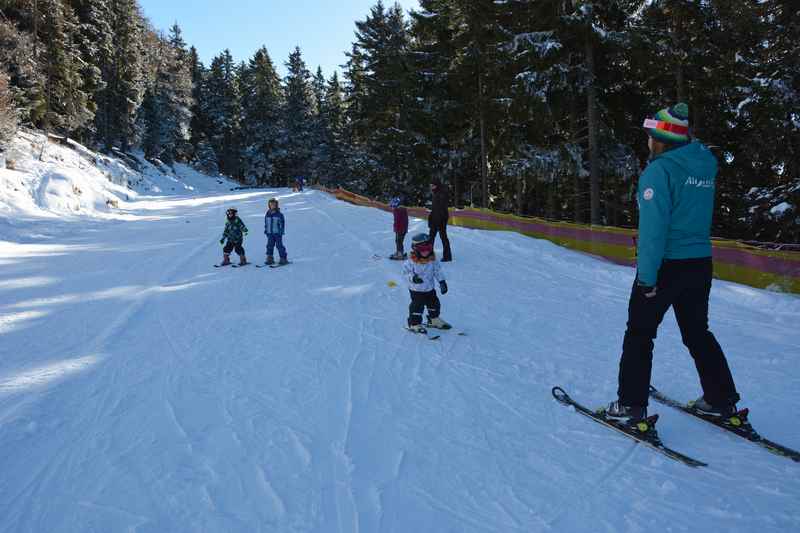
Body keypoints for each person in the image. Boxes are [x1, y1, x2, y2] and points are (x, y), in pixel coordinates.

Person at [605, 102, 741, 422]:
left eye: (651, 136)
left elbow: (654, 230)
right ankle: (720, 398)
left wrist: (647, 278)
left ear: (662, 140)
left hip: (667, 264)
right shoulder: (703, 164)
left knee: (639, 332)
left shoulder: (659, 171)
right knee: (697, 332)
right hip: (699, 262)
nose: (648, 141)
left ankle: (630, 406)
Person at [403, 233, 450, 333]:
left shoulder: (432, 260)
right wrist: (413, 278)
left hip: (429, 289)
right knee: (417, 306)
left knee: (434, 304)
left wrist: (442, 281)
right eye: (422, 250)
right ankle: (414, 323)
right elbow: (406, 273)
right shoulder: (411, 261)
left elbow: (437, 271)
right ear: (416, 250)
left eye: (428, 249)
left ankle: (434, 319)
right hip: (416, 290)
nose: (425, 252)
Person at [428, 180, 452, 262]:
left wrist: (439, 220)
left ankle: (447, 256)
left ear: (437, 185)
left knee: (443, 237)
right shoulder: (435, 193)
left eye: (433, 185)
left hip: (441, 219)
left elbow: (441, 209)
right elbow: (434, 209)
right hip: (435, 219)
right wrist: (430, 218)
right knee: (431, 237)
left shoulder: (441, 194)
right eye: (431, 185)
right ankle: (429, 254)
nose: (431, 187)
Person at [264, 198, 288, 265]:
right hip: (270, 233)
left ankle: (283, 258)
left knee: (279, 245)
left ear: (276, 205)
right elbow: (266, 223)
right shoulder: (267, 214)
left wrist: (281, 231)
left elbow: (282, 224)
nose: (272, 206)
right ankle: (270, 258)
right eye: (271, 204)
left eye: (274, 204)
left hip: (277, 233)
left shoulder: (279, 214)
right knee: (269, 245)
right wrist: (266, 230)